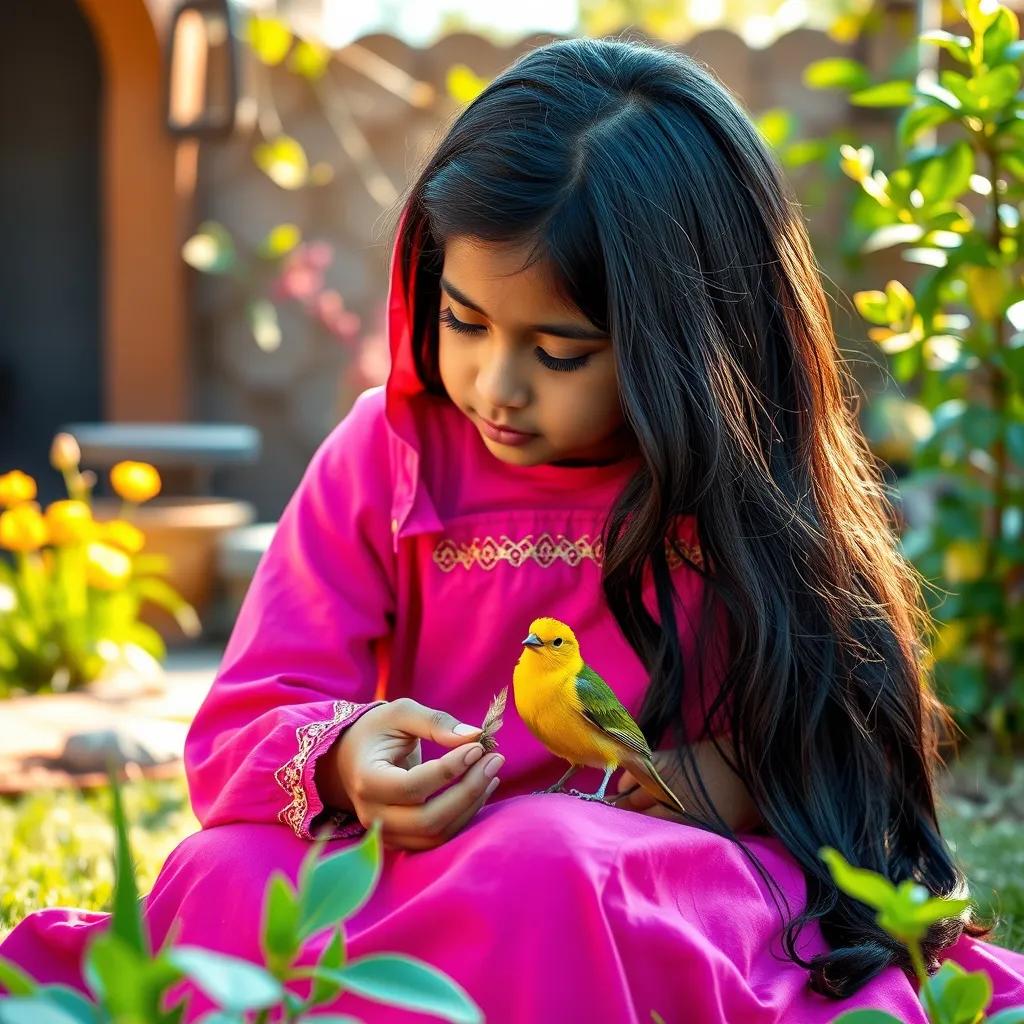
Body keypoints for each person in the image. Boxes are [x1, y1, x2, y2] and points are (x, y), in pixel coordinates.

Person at [3, 35, 1024, 1024]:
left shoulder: (741, 484)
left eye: (560, 350)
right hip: (403, 868)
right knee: (219, 869)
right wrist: (348, 756)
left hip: (641, 880)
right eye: (463, 321)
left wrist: (670, 788)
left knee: (542, 859)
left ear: (683, 342)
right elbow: (243, 724)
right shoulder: (386, 457)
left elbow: (823, 743)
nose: (497, 385)